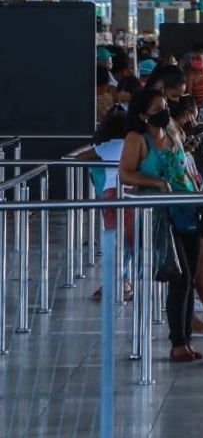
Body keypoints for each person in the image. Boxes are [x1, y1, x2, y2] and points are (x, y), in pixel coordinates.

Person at [118, 87, 202, 363]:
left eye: (165, 106)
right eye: (157, 109)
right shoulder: (137, 139)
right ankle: (178, 342)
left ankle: (186, 338)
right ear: (143, 115)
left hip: (187, 209)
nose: (165, 112)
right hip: (159, 214)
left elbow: (184, 164)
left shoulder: (174, 131)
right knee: (181, 276)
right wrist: (156, 183)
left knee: (192, 277)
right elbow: (125, 174)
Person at [78, 112, 133, 302]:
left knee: (115, 239)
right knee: (130, 241)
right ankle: (122, 280)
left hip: (110, 195)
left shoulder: (105, 147)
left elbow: (79, 158)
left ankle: (117, 280)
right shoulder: (134, 145)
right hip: (132, 194)